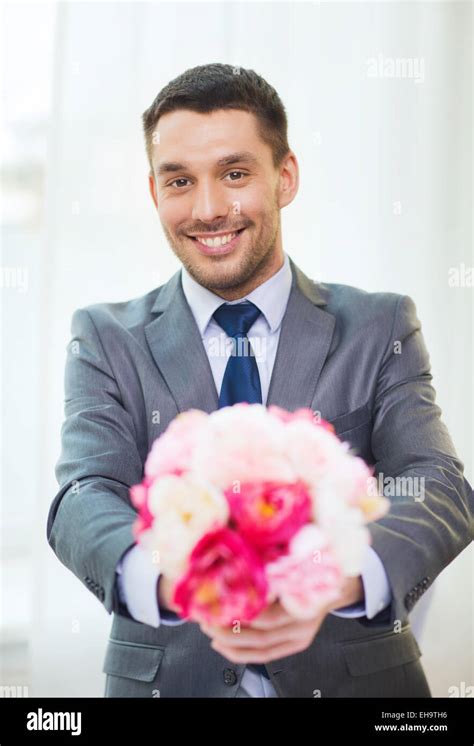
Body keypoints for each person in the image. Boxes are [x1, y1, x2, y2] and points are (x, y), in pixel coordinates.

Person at [46, 63, 473, 698]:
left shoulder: (378, 325)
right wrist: (183, 579)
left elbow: (438, 485)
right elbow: (83, 495)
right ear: (154, 192)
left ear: (286, 177)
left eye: (235, 173)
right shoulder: (107, 338)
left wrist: (334, 575)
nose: (210, 209)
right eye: (181, 181)